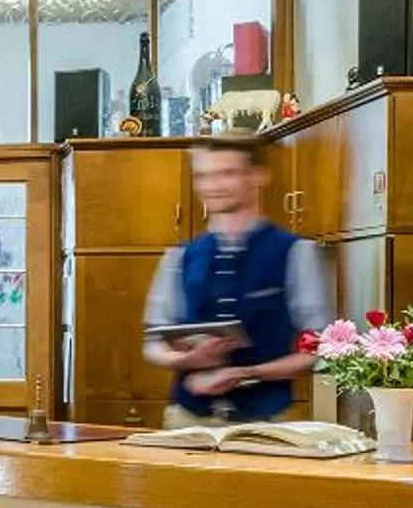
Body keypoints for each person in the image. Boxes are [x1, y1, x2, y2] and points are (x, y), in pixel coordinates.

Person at [141, 137, 331, 426]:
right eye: (204, 176)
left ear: (258, 175)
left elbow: (318, 349)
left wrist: (247, 373)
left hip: (268, 421)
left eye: (226, 173)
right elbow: (153, 344)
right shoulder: (178, 258)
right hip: (187, 418)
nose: (213, 186)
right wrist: (184, 361)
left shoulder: (296, 253)